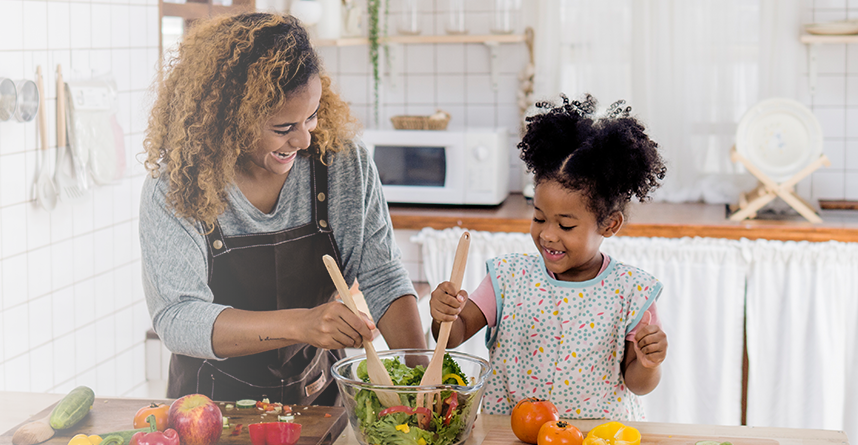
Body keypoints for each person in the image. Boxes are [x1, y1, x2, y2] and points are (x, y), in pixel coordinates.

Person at [140, 13, 424, 406]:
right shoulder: (178, 185)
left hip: (318, 399)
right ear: (230, 119)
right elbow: (178, 318)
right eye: (284, 127)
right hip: (209, 408)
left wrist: (422, 381)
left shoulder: (342, 163)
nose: (306, 139)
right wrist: (302, 323)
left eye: (311, 116)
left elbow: (383, 277)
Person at [428, 95, 670, 420]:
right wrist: (443, 313)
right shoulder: (508, 277)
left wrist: (648, 362)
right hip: (512, 437)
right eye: (539, 218)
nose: (548, 235)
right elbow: (454, 334)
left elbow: (638, 384)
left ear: (610, 224)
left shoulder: (632, 292)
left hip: (594, 440)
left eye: (566, 225)